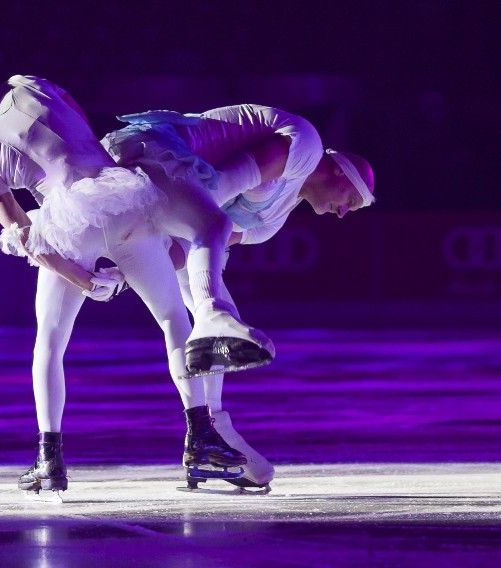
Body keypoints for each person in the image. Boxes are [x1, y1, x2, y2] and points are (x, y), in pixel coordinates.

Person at [0, 66, 255, 493]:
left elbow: (23, 235)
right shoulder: (28, 83)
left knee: (51, 340)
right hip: (124, 198)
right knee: (173, 319)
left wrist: (79, 277)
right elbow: (81, 122)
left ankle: (49, 458)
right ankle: (201, 439)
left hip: (68, 224)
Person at [101, 104, 375, 488]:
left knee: (204, 325)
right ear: (337, 171)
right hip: (154, 156)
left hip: (171, 204)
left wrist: (131, 273)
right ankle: (210, 430)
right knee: (211, 318)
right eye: (351, 200)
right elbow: (218, 190)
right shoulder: (307, 146)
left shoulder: (275, 217)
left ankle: (209, 434)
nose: (345, 213)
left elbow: (188, 245)